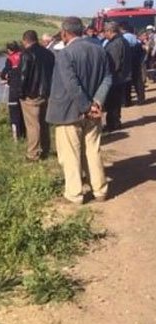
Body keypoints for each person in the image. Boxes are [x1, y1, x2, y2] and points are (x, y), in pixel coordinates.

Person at [46, 17, 112, 205]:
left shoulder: (65, 54)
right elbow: (108, 78)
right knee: (93, 151)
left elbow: (71, 85)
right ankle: (100, 190)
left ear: (65, 33)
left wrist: (86, 106)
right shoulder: (100, 50)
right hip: (94, 112)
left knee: (70, 154)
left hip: (70, 112)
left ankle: (75, 194)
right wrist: (97, 102)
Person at [19, 29, 55, 161]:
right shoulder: (49, 54)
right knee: (44, 123)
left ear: (25, 41)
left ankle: (32, 154)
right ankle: (46, 149)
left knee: (32, 125)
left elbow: (23, 76)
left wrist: (21, 93)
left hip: (31, 94)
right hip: (46, 93)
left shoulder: (26, 54)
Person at [103, 21, 132, 131]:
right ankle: (114, 122)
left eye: (105, 32)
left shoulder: (116, 43)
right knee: (115, 103)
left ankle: (113, 124)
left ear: (110, 31)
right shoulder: (122, 40)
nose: (104, 34)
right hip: (121, 77)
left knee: (112, 103)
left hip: (115, 78)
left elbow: (114, 63)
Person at [0, 41, 25, 140]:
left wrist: (4, 78)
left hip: (14, 90)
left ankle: (16, 137)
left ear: (9, 50)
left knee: (14, 113)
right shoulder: (24, 56)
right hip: (26, 89)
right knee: (23, 113)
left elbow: (5, 73)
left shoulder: (10, 59)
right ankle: (25, 134)